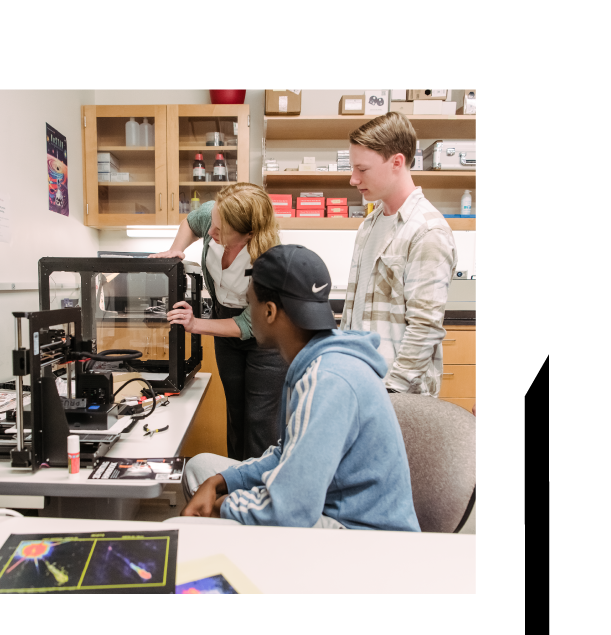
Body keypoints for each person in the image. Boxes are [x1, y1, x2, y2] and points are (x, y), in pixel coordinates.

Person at [180, 244, 420, 531]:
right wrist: (222, 481)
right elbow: (287, 455)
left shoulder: (327, 380)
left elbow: (289, 509)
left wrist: (222, 507)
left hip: (362, 533)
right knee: (200, 468)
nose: (248, 312)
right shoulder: (317, 360)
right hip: (329, 504)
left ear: (269, 311)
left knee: (209, 516)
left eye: (249, 303)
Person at [150, 183, 287, 462]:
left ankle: (261, 494)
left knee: (261, 420)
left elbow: (248, 325)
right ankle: (233, 486)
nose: (210, 233)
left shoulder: (269, 258)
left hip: (266, 338)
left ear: (249, 233)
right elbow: (192, 221)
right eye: (212, 225)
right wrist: (176, 250)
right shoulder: (216, 215)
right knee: (236, 414)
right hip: (225, 323)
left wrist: (196, 324)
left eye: (220, 231)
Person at [341, 111, 457, 397]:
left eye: (362, 169)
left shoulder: (427, 231)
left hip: (398, 396)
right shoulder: (370, 224)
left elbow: (425, 327)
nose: (353, 179)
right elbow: (354, 313)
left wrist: (392, 392)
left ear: (397, 162)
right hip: (361, 383)